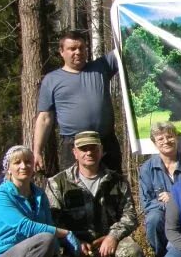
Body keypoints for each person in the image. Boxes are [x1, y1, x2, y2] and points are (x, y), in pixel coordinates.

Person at [46, 131, 143, 257]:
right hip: (77, 248)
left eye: (93, 148)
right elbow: (53, 221)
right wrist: (74, 242)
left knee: (131, 254)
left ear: (101, 150)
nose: (89, 152)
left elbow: (130, 216)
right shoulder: (57, 183)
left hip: (110, 244)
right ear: (75, 153)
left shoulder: (117, 181)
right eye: (83, 149)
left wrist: (113, 236)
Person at [33, 30, 122, 174]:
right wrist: (36, 151)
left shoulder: (101, 67)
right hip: (72, 145)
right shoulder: (51, 80)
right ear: (61, 52)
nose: (78, 52)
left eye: (81, 48)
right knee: (75, 191)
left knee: (113, 188)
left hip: (105, 142)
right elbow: (44, 119)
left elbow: (124, 47)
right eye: (72, 49)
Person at [138, 122, 181, 257]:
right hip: (161, 214)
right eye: (160, 139)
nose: (166, 141)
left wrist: (175, 199)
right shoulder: (147, 168)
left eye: (170, 136)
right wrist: (168, 207)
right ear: (154, 143)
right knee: (153, 219)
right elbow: (147, 202)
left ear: (176, 138)